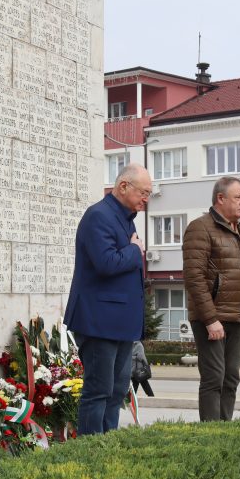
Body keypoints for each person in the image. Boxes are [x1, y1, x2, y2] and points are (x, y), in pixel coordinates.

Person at [64, 163, 150, 435]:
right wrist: (135, 250)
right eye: (143, 192)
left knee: (115, 391)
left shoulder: (125, 219)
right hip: (98, 320)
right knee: (98, 390)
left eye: (149, 193)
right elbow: (106, 263)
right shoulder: (98, 216)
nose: (146, 199)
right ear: (123, 186)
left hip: (120, 323)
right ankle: (91, 451)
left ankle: (108, 445)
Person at [182, 176, 240, 421]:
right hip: (212, 318)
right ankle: (211, 433)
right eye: (238, 197)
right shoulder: (200, 227)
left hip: (236, 316)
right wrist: (210, 319)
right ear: (220, 198)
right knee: (214, 377)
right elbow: (194, 278)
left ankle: (226, 429)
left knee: (231, 378)